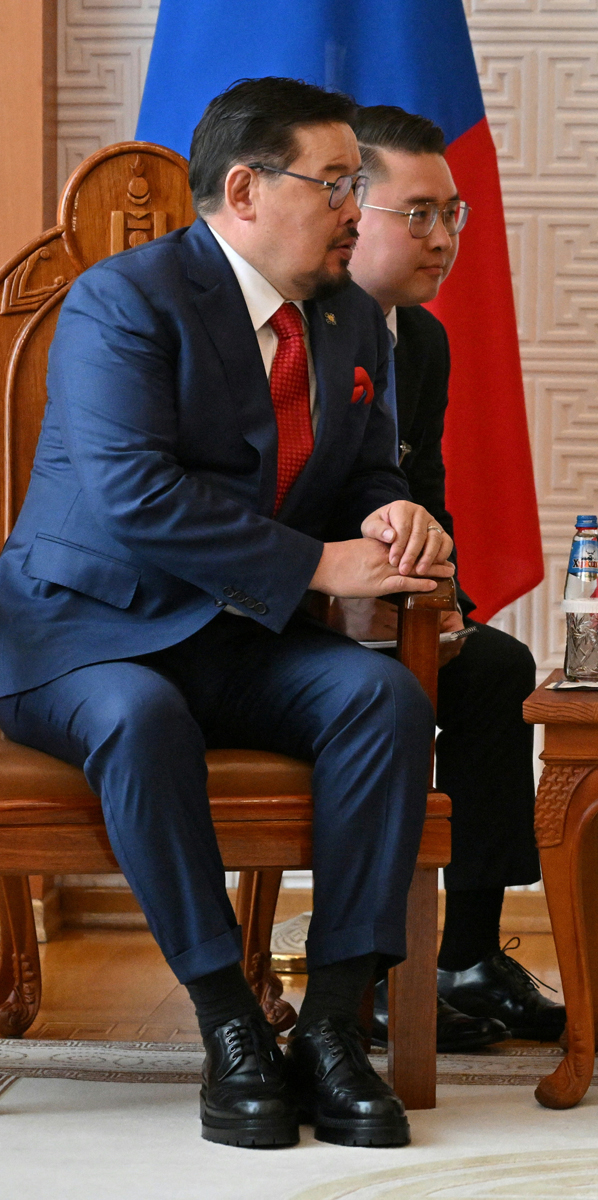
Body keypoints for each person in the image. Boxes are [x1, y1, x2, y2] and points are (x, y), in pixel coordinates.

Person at [0, 78, 455, 1150]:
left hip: (231, 634)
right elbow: (135, 498)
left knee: (380, 702)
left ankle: (335, 1028)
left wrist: (391, 512)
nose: (358, 208)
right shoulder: (127, 299)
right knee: (139, 716)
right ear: (245, 189)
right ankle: (231, 1024)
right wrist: (324, 568)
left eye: (358, 185)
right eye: (336, 182)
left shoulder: (349, 319)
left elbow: (359, 470)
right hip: (81, 630)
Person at [347, 105, 565, 1050]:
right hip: (301, 608)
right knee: (391, 689)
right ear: (350, 209)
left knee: (493, 668)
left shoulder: (421, 339)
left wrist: (448, 605)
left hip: (393, 599)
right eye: (419, 214)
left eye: (454, 214)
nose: (443, 238)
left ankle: (467, 957)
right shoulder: (299, 329)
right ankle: (375, 968)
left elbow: (423, 491)